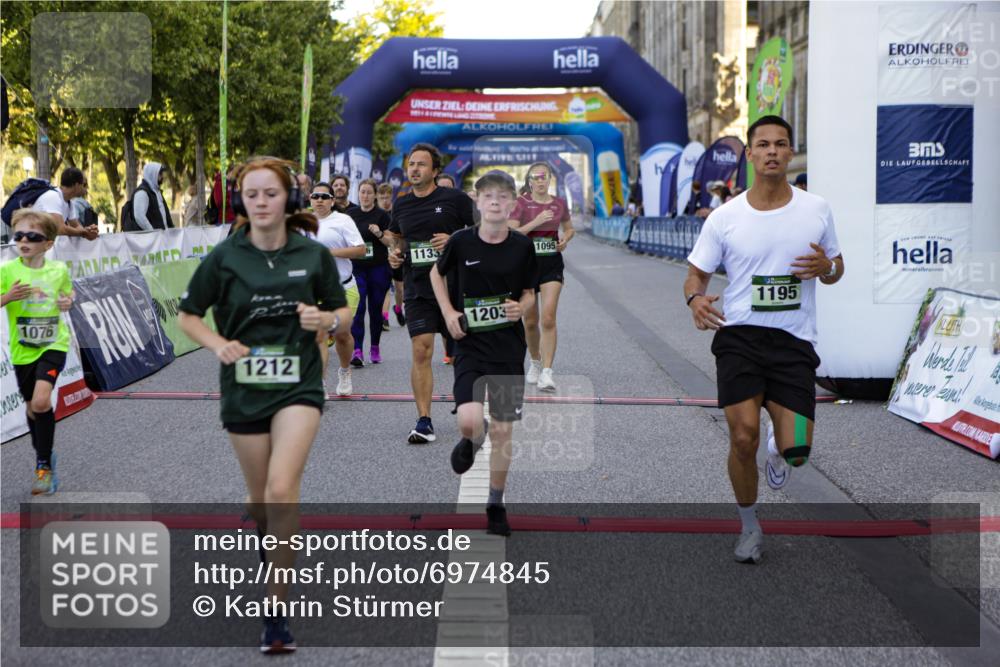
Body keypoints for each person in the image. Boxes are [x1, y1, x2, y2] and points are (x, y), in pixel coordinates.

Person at [177, 157, 350, 653]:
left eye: (270, 193)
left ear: (288, 199)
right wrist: (218, 345)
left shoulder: (311, 255)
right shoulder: (225, 257)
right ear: (240, 201)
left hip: (298, 384)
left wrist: (328, 322)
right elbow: (189, 316)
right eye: (250, 194)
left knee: (280, 489)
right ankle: (268, 534)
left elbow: (339, 311)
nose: (260, 202)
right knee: (260, 503)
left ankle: (276, 612)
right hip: (244, 389)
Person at [684, 115, 844, 564]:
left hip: (794, 341)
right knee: (741, 438)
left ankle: (779, 449)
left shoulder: (816, 209)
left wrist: (827, 269)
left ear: (791, 153)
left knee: (796, 452)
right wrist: (695, 300)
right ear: (750, 155)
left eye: (781, 144)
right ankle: (750, 526)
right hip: (740, 338)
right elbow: (696, 273)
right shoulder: (726, 216)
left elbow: (835, 266)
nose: (772, 151)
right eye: (763, 144)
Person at [430, 171, 537, 536]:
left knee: (504, 433)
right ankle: (474, 438)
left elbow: (529, 292)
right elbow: (435, 273)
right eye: (488, 195)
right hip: (470, 345)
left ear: (512, 203)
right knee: (470, 421)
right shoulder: (461, 242)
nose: (495, 201)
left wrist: (521, 307)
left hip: (508, 349)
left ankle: (495, 503)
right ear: (477, 201)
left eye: (503, 196)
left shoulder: (522, 246)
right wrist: (447, 312)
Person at [386, 142, 475, 444]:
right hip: (419, 287)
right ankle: (424, 420)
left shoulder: (455, 199)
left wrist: (454, 238)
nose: (414, 169)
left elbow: (482, 233)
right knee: (421, 349)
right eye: (411, 163)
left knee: (466, 354)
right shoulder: (401, 204)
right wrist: (395, 255)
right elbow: (398, 239)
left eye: (421, 164)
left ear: (435, 171)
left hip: (456, 288)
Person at [1, 210, 75, 495]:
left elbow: (68, 294)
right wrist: (8, 297)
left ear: (48, 243)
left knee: (42, 402)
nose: (24, 241)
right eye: (18, 235)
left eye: (33, 236)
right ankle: (46, 456)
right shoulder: (7, 271)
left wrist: (68, 301)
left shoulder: (58, 270)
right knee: (32, 409)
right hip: (23, 352)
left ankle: (43, 466)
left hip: (54, 344)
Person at [507, 161, 574, 392]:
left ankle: (547, 371)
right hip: (526, 266)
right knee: (531, 320)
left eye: (544, 176)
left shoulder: (559, 203)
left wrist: (566, 239)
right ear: (530, 181)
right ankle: (534, 361)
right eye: (536, 177)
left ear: (549, 179)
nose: (540, 180)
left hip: (551, 265)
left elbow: (569, 227)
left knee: (548, 317)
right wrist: (537, 221)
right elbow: (512, 231)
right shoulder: (521, 204)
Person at [309, 182, 365, 395]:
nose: (320, 200)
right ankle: (320, 382)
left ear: (332, 200)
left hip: (343, 287)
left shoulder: (343, 220)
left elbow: (360, 250)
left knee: (342, 335)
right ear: (310, 199)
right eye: (316, 196)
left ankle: (344, 371)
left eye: (325, 196)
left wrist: (330, 253)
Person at [347, 179, 392, 366]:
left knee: (375, 309)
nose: (365, 196)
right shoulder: (350, 215)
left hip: (378, 268)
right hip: (357, 267)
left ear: (374, 195)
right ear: (358, 194)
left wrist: (380, 234)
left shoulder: (382, 215)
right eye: (362, 192)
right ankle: (357, 349)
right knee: (358, 309)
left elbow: (391, 242)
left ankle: (375, 346)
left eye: (368, 192)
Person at [31, 167, 98, 239]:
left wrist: (88, 230)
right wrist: (83, 232)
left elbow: (76, 226)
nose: (86, 188)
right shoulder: (53, 197)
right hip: (28, 242)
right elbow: (60, 229)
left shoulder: (69, 203)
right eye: (84, 184)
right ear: (77, 185)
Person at [377, 183, 403, 330]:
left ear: (391, 196)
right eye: (382, 198)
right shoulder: (376, 214)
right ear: (377, 198)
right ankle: (384, 318)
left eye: (387, 197)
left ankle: (399, 309)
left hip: (397, 252)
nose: (385, 201)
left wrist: (398, 248)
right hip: (383, 255)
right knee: (385, 287)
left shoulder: (397, 211)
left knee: (400, 289)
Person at [131, 162, 173, 230]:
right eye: (160, 174)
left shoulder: (156, 192)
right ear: (152, 174)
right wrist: (153, 232)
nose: (162, 177)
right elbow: (139, 217)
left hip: (161, 237)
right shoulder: (142, 193)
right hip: (151, 239)